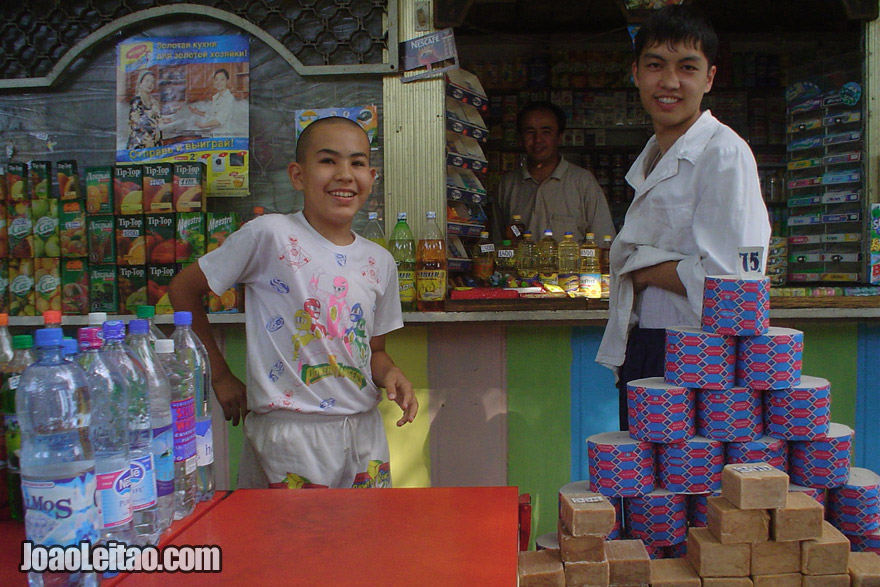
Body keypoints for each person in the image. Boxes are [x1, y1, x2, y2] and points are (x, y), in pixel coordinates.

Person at [168, 116, 418, 489]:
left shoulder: (378, 261)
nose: (345, 174)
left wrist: (393, 374)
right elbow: (183, 291)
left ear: (372, 176)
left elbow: (375, 352)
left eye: (358, 162)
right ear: (298, 175)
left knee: (365, 542)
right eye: (328, 160)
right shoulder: (270, 235)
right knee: (287, 544)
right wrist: (217, 375)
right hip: (288, 437)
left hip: (364, 434)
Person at [595, 5, 771, 430]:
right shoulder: (655, 153)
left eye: (687, 67)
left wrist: (640, 268)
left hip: (698, 355)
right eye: (655, 65)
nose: (669, 82)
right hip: (649, 346)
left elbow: (735, 282)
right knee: (647, 490)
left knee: (687, 490)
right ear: (635, 73)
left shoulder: (723, 153)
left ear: (709, 78)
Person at [492, 101, 616, 243]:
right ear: (520, 138)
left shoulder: (583, 182)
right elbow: (498, 244)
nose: (538, 140)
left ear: (560, 137)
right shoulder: (507, 184)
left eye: (546, 132)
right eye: (530, 132)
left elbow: (604, 243)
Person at [189, 68, 235, 137]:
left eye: (222, 79)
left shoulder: (229, 98)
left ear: (227, 81)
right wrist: (197, 112)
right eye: (216, 79)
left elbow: (219, 121)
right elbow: (211, 115)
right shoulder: (216, 97)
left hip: (224, 136)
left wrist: (203, 125)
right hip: (214, 135)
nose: (219, 83)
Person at [127, 70, 162, 149]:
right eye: (147, 81)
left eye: (152, 82)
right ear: (140, 83)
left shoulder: (154, 102)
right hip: (140, 143)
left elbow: (159, 121)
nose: (150, 84)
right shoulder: (137, 101)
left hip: (155, 143)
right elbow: (135, 123)